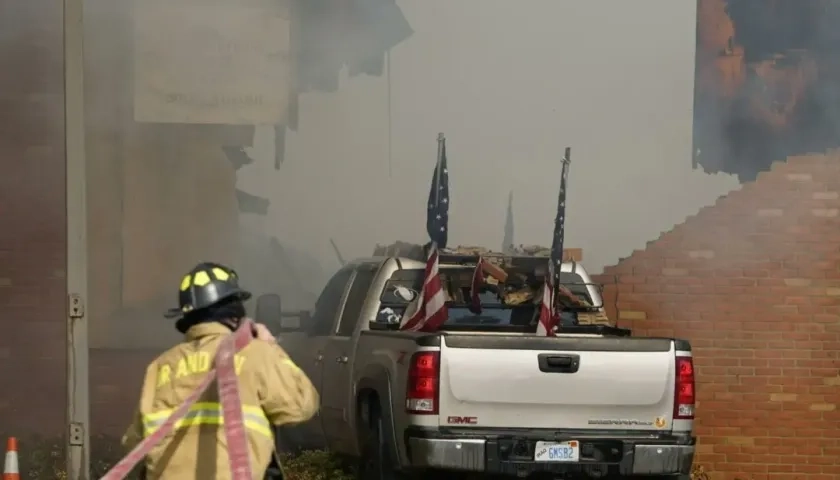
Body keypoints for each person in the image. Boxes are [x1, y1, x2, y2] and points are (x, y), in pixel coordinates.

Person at [121, 262, 319, 479]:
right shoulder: (255, 353)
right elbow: (300, 406)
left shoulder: (160, 367)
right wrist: (271, 347)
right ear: (234, 314)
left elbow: (135, 444)